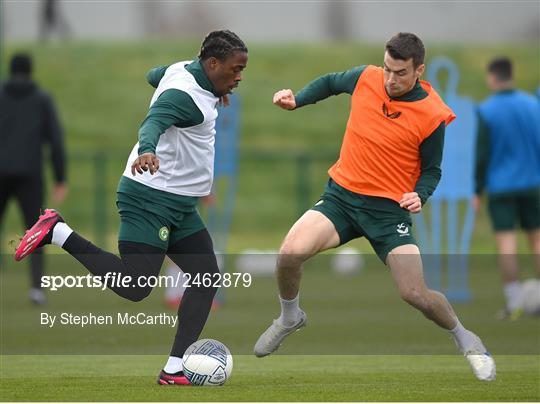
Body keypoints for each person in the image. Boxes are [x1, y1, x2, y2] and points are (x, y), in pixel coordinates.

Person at [254, 32, 496, 381]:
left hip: (388, 211)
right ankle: (290, 316)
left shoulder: (432, 113)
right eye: (387, 69)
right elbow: (331, 82)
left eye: (399, 72)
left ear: (419, 71)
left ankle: (465, 338)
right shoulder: (367, 77)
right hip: (342, 198)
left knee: (414, 293)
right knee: (289, 252)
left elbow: (431, 170)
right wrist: (299, 100)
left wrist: (420, 195)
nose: (390, 79)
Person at [14, 30, 248, 385]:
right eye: (235, 69)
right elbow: (154, 119)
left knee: (206, 279)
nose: (239, 77)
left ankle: (174, 370)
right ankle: (57, 231)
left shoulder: (185, 73)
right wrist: (147, 149)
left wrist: (215, 92)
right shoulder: (186, 97)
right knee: (136, 286)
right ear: (212, 64)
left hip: (181, 205)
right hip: (149, 198)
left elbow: (154, 74)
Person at [474, 57, 540, 320]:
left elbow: (481, 155)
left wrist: (476, 190)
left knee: (507, 244)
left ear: (492, 77)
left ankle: (514, 305)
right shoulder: (533, 104)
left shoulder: (486, 110)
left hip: (501, 188)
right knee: (537, 240)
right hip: (533, 184)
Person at [0, 53, 67, 305]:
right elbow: (55, 141)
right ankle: (36, 289)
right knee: (36, 231)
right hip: (30, 174)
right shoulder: (41, 100)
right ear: (30, 70)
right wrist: (60, 177)